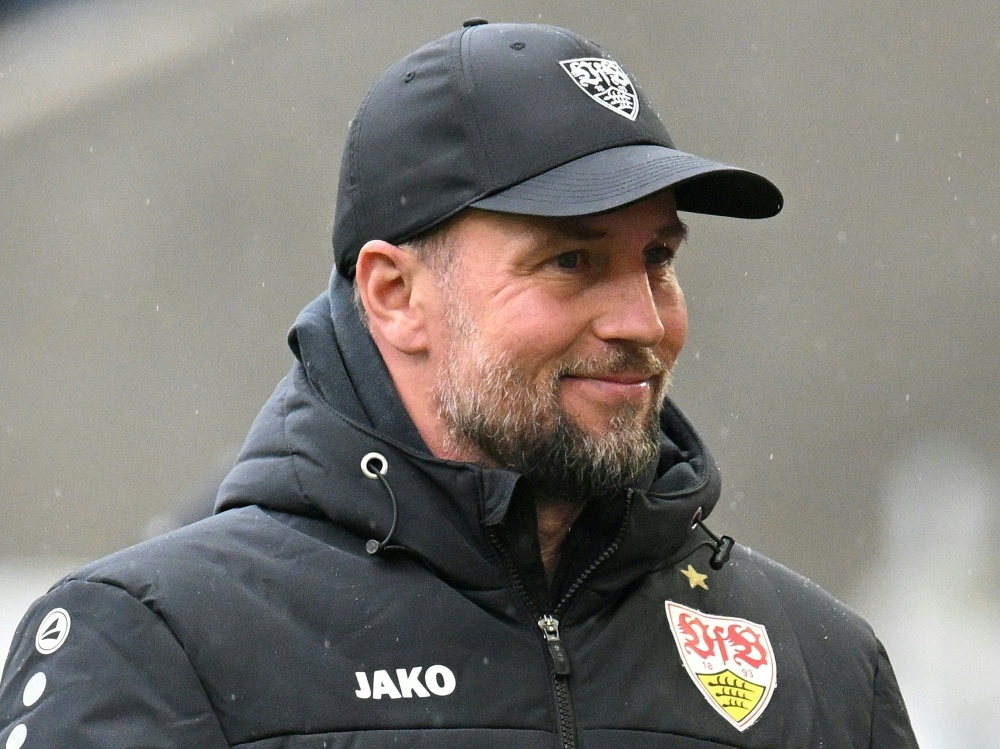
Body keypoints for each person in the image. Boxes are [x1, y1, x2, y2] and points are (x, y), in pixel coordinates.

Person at [0, 20, 917, 749]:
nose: (642, 322)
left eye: (658, 260)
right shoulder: (155, 646)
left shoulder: (824, 668)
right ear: (395, 296)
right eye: (571, 261)